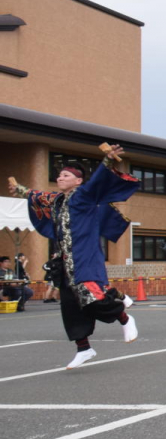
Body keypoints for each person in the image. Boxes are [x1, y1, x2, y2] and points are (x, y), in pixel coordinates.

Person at [7, 144, 140, 368]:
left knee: (92, 296)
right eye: (59, 175)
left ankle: (125, 319)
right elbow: (35, 195)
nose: (60, 177)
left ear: (78, 181)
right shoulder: (57, 201)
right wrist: (19, 189)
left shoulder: (85, 195)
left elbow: (98, 179)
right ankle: (84, 348)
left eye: (66, 175)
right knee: (70, 305)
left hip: (85, 255)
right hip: (64, 259)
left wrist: (107, 160)